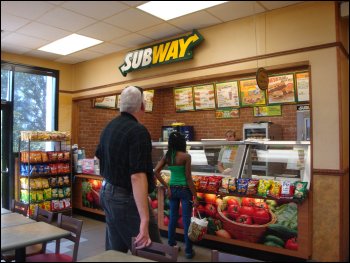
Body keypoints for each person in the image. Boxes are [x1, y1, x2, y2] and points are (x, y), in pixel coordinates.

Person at [95, 85, 161, 253]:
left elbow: (99, 159)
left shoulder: (108, 128)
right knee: (154, 252)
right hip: (125, 199)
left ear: (120, 105)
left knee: (116, 252)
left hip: (107, 193)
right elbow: (137, 177)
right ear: (142, 106)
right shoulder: (138, 131)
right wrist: (144, 220)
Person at [153, 131, 198, 259]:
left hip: (172, 190)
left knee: (172, 218)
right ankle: (188, 250)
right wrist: (195, 196)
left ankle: (172, 245)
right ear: (182, 143)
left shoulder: (167, 156)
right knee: (186, 220)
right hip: (185, 190)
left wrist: (166, 186)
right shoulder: (186, 156)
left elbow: (156, 171)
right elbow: (188, 178)